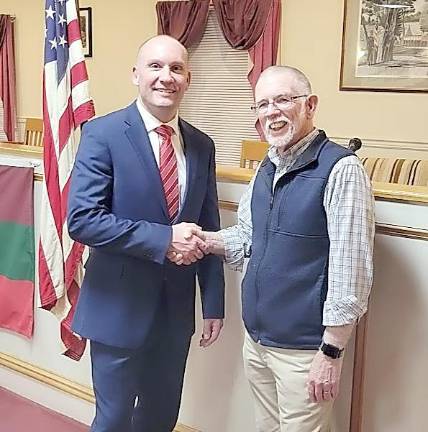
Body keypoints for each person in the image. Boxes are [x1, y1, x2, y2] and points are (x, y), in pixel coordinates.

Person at [173, 65, 375, 431]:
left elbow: (351, 272)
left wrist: (331, 352)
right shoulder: (268, 165)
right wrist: (206, 240)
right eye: (262, 104)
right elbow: (249, 238)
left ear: (310, 105)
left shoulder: (341, 169)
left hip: (304, 350)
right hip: (259, 342)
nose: (271, 111)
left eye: (283, 100)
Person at [67, 35, 225, 432]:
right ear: (136, 75)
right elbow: (83, 219)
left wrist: (214, 302)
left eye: (176, 68)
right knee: (114, 420)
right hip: (117, 309)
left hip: (174, 313)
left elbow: (208, 229)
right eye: (155, 66)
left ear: (188, 78)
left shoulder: (202, 145)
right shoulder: (102, 133)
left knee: (160, 419)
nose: (165, 77)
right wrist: (163, 239)